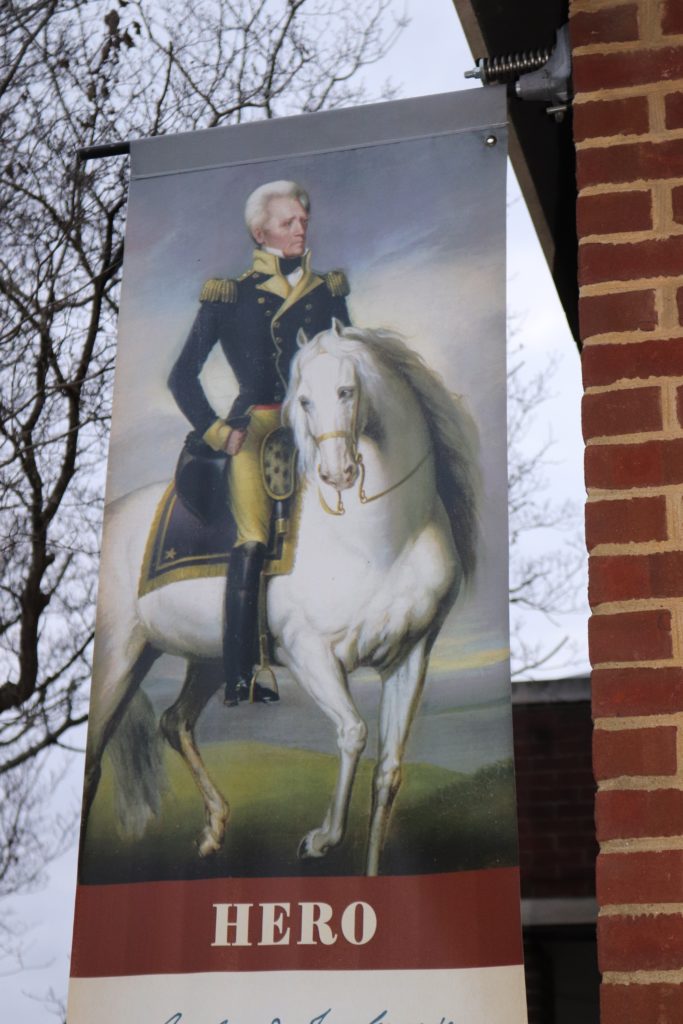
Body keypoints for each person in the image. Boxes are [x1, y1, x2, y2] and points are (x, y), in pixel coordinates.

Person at [168, 180, 351, 705]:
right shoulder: (229, 295)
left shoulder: (327, 291)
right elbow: (182, 376)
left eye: (303, 220)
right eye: (288, 222)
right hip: (258, 427)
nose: (301, 228)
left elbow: (349, 362)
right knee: (251, 537)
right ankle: (242, 676)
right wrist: (219, 433)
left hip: (317, 426)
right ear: (260, 231)